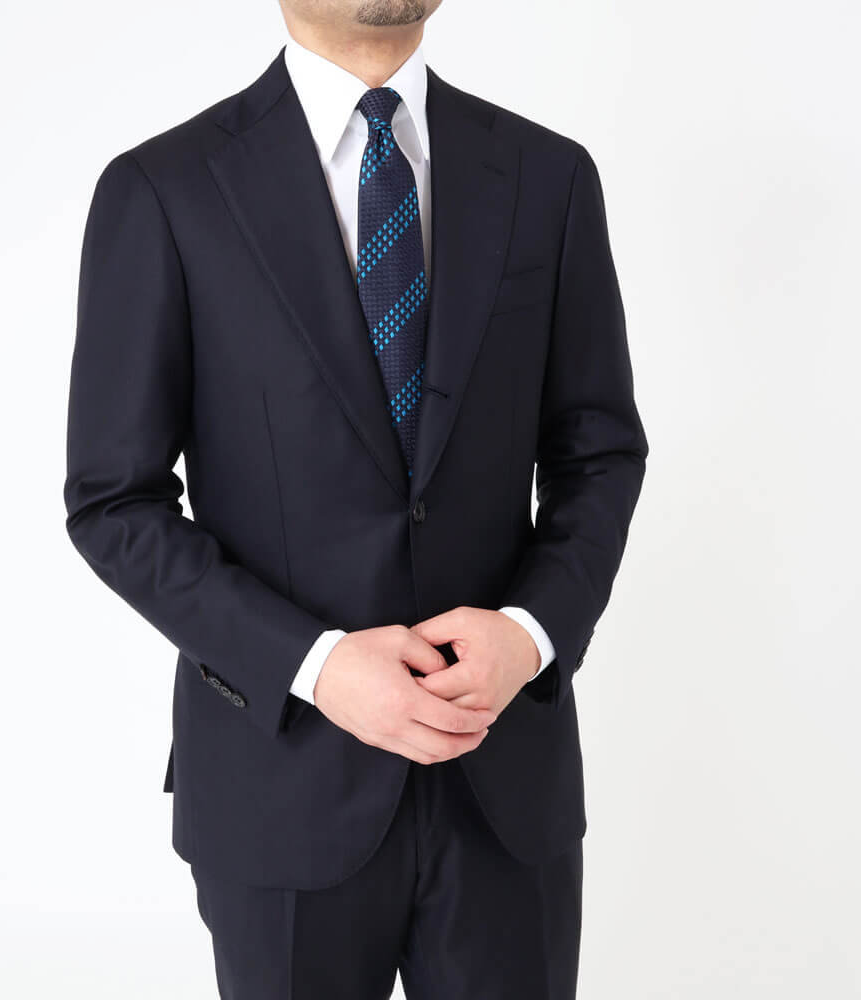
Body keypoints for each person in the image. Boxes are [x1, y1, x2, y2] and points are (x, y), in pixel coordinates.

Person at [63, 1, 648, 995]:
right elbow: (114, 500)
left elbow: (598, 451)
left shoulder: (548, 176)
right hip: (281, 780)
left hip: (503, 780)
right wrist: (315, 664)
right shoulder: (164, 190)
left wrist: (530, 633)